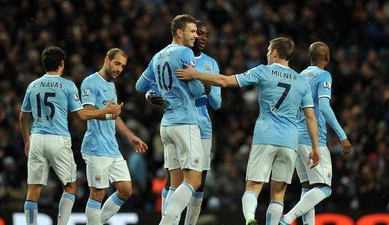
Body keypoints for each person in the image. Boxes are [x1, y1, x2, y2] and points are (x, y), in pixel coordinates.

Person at [176, 37, 321, 225]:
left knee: (253, 187)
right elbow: (310, 117)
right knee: (278, 193)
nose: (267, 53)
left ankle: (250, 218)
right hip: (290, 141)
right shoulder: (301, 81)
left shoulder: (262, 71)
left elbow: (225, 81)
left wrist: (195, 74)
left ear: (275, 52)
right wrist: (315, 147)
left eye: (269, 50)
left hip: (265, 136)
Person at [19, 46, 122, 225]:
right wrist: (104, 111)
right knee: (70, 186)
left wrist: (27, 140)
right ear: (62, 63)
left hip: (36, 138)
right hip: (58, 139)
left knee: (33, 189)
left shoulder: (33, 85)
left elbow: (22, 117)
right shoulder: (67, 85)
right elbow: (82, 115)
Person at [141, 20, 221, 225]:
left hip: (176, 123)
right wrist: (201, 84)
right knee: (191, 180)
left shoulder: (208, 62)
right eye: (195, 32)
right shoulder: (184, 53)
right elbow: (194, 90)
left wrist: (152, 93)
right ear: (180, 32)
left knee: (184, 182)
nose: (199, 36)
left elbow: (217, 102)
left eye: (203, 34)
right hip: (186, 123)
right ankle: (167, 222)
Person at [279, 42, 352, 225]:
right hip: (313, 139)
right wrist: (342, 136)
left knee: (307, 187)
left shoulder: (299, 76)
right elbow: (325, 108)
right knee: (325, 188)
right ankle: (288, 218)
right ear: (327, 57)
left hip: (295, 137)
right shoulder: (324, 75)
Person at [80, 48, 148, 225]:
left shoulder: (111, 86)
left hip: (112, 147)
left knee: (125, 190)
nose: (119, 69)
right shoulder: (90, 82)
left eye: (123, 66)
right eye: (117, 63)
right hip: (95, 147)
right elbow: (86, 113)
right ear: (106, 60)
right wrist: (106, 111)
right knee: (98, 193)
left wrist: (130, 137)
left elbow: (113, 117)